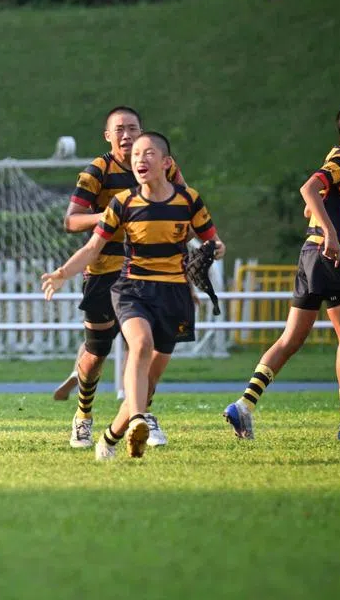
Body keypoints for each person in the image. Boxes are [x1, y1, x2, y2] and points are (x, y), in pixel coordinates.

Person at [43, 132, 225, 460]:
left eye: (149, 153)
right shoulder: (124, 202)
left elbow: (213, 241)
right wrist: (61, 274)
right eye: (137, 154)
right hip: (133, 289)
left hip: (175, 294)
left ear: (167, 163)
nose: (140, 159)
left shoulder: (189, 200)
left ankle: (112, 436)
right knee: (139, 345)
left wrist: (215, 249)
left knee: (149, 382)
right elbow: (92, 247)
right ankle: (139, 419)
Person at [225, 104, 340, 441]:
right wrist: (334, 234)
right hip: (329, 258)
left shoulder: (335, 158)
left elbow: (312, 206)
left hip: (310, 256)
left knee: (291, 339)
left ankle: (244, 405)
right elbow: (308, 191)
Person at [57, 106, 183, 449]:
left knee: (144, 348)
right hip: (104, 273)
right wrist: (118, 213)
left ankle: (141, 415)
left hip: (149, 274)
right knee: (97, 352)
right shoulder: (98, 170)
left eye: (133, 128)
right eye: (120, 130)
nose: (127, 135)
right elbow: (72, 221)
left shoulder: (161, 166)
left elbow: (183, 206)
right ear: (108, 136)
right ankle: (83, 415)